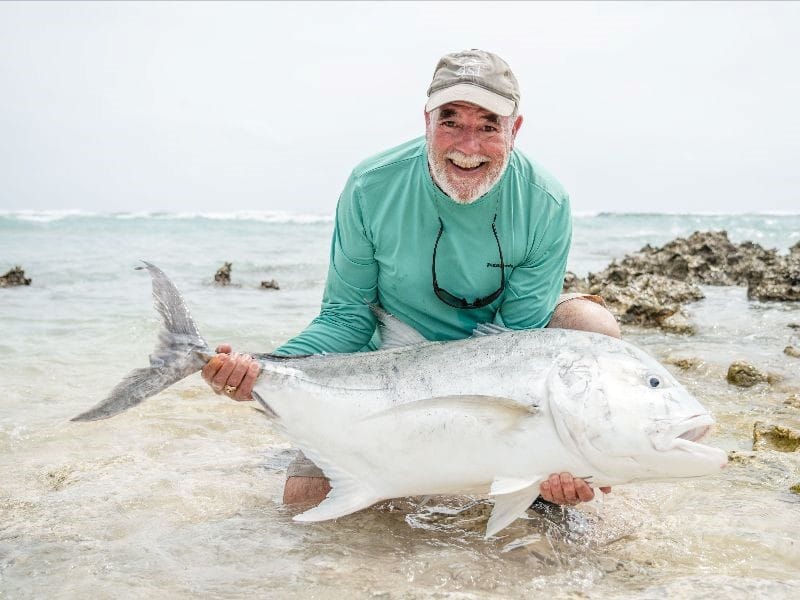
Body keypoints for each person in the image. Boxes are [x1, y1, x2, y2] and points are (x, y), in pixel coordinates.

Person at [202, 49, 620, 509]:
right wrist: (264, 369)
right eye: (451, 121)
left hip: (495, 361)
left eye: (488, 126)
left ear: (514, 129)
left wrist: (544, 452)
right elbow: (346, 317)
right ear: (426, 121)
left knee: (591, 326)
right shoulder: (370, 186)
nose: (468, 145)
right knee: (303, 502)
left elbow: (517, 347)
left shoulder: (546, 201)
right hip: (391, 360)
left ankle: (542, 480)